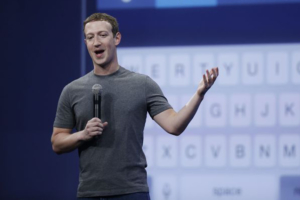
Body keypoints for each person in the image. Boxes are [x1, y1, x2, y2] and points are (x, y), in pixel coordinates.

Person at [51, 13, 218, 200]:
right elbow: (57, 142)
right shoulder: (72, 90)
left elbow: (174, 125)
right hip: (90, 193)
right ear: (86, 43)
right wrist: (82, 134)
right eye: (90, 37)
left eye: (103, 35)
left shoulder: (142, 84)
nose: (96, 42)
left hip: (132, 191)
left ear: (117, 38)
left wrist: (199, 95)